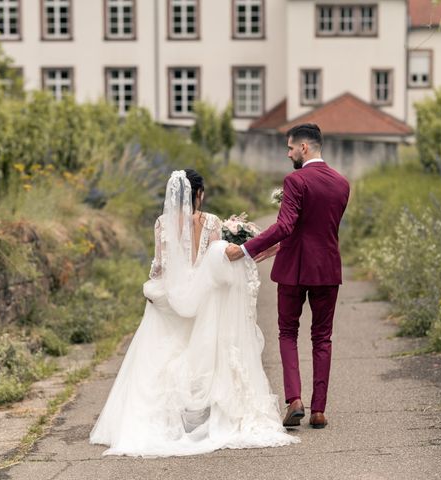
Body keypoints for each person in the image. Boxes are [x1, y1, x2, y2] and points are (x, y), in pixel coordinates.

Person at [90, 169, 298, 456]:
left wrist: (153, 287)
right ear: (199, 194)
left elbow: (160, 266)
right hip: (204, 296)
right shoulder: (212, 222)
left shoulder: (162, 223)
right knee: (203, 350)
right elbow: (213, 261)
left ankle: (167, 417)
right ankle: (204, 413)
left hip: (173, 298)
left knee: (162, 353)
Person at [226, 124, 350, 430]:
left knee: (287, 333)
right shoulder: (342, 183)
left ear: (304, 148)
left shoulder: (295, 180)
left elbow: (285, 227)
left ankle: (294, 400)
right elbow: (319, 228)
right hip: (327, 269)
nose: (288, 153)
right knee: (322, 338)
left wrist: (243, 249)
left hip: (295, 269)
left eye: (290, 148)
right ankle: (319, 410)